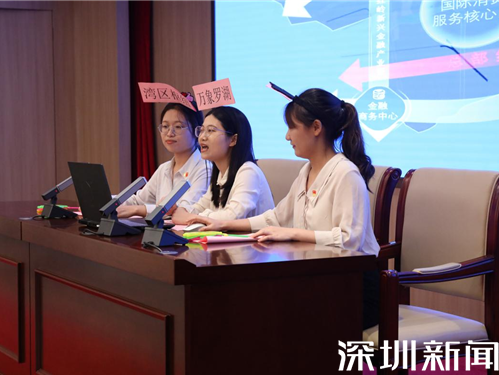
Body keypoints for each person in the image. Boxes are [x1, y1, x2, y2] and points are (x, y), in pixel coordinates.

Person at [186, 89, 380, 328]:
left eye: (292, 127)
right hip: (318, 279)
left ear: (316, 128)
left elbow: (350, 240)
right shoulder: (306, 171)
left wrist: (292, 233)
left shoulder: (345, 173)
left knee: (266, 315)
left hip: (353, 287)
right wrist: (223, 224)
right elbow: (276, 218)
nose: (287, 136)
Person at [171, 106, 274, 224]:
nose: (202, 137)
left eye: (211, 130)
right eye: (202, 130)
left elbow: (232, 216)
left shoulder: (249, 172)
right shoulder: (220, 174)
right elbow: (199, 207)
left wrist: (194, 217)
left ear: (233, 139)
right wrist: (182, 210)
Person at [117, 100, 209, 218]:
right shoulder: (164, 168)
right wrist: (108, 202)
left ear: (198, 131)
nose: (170, 133)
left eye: (178, 126)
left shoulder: (205, 168)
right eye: (165, 126)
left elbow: (185, 209)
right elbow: (138, 201)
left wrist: (138, 210)